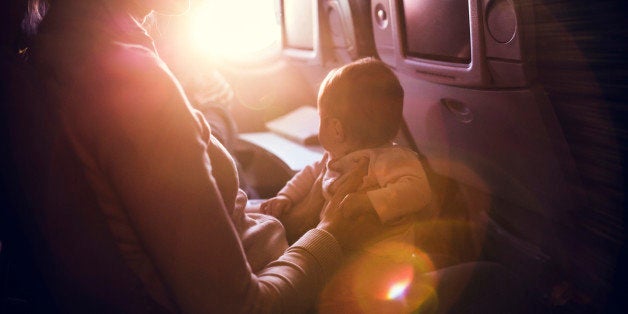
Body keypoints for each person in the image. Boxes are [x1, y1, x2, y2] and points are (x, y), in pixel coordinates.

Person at [22, 0, 383, 313]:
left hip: (274, 261)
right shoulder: (129, 81)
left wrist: (291, 213)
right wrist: (330, 235)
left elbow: (190, 223)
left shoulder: (58, 49)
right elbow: (239, 308)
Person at [260, 57, 433, 247]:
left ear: (336, 129)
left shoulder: (390, 158)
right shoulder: (333, 157)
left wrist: (368, 202)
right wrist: (286, 196)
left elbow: (417, 191)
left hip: (384, 256)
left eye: (321, 118)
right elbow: (309, 174)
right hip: (339, 245)